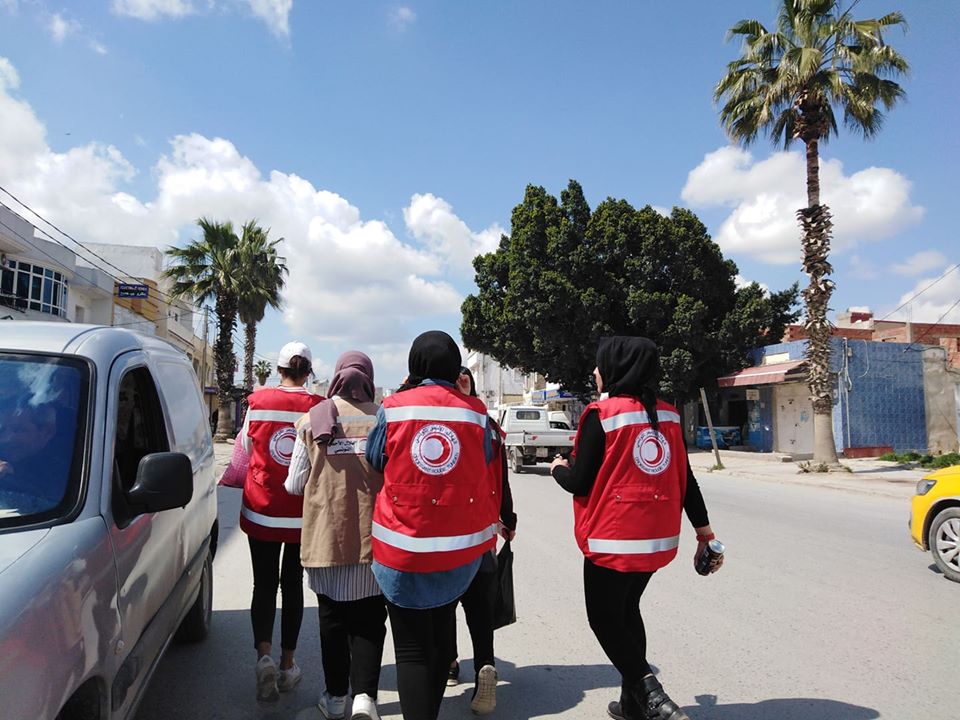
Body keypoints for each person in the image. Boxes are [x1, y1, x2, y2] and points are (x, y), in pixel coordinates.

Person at [550, 336, 723, 720]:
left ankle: (653, 696)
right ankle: (632, 705)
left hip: (612, 540)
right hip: (656, 541)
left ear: (616, 367)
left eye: (600, 364)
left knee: (604, 619)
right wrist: (705, 534)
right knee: (628, 610)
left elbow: (579, 481)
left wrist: (557, 468)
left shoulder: (602, 414)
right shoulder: (669, 416)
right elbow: (686, 481)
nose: (595, 371)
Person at [365, 331, 501, 720]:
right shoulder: (476, 412)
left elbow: (375, 458)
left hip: (402, 549)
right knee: (441, 640)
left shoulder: (393, 407)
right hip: (457, 551)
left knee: (411, 650)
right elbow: (483, 458)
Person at [284, 351, 387, 720]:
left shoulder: (313, 420)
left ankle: (337, 698)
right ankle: (366, 700)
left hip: (326, 538)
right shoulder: (384, 419)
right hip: (373, 540)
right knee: (370, 622)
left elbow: (294, 484)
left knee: (332, 621)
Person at [240, 341, 323, 704]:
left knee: (263, 584)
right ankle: (288, 665)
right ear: (308, 372)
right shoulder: (318, 406)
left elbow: (246, 447)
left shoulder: (257, 401)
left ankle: (264, 657)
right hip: (300, 512)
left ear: (278, 370)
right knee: (292, 585)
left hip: (262, 508)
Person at [447, 366, 517, 715]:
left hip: (445, 529)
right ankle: (484, 666)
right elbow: (501, 478)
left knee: (445, 600)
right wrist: (508, 517)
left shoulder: (440, 419)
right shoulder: (487, 425)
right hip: (483, 529)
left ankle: (449, 662)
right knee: (479, 605)